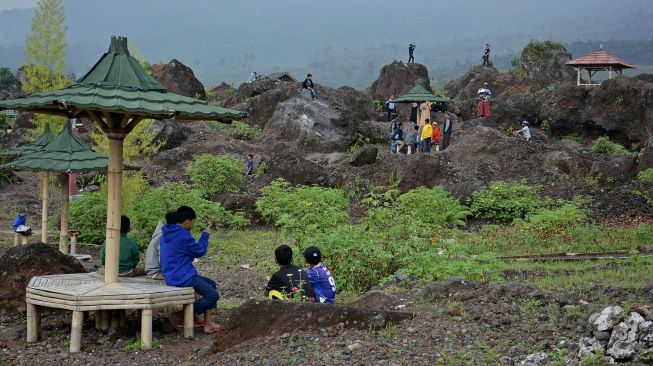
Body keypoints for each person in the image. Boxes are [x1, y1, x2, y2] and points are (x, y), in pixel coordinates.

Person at [160, 206, 220, 334]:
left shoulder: (168, 232)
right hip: (182, 275)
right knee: (213, 295)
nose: (193, 224)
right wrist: (205, 236)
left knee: (211, 284)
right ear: (187, 221)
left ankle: (208, 324)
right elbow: (199, 251)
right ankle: (179, 315)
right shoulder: (182, 235)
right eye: (193, 221)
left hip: (171, 274)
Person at [145, 211, 178, 280]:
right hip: (155, 272)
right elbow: (162, 257)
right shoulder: (163, 236)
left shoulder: (163, 233)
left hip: (153, 269)